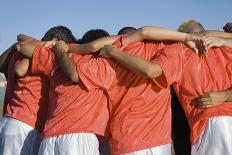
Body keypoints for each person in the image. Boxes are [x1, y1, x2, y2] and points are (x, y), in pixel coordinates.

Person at [66, 26, 203, 155]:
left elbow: (92, 48)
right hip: (156, 141)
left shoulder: (110, 55)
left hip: (123, 141)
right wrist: (186, 37)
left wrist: (65, 49)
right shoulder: (163, 48)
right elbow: (145, 33)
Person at [99, 33, 232, 155]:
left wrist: (113, 51)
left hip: (210, 125)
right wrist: (225, 95)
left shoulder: (179, 50)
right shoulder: (225, 47)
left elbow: (151, 70)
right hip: (163, 139)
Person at [16, 29, 113, 155]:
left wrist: (52, 45)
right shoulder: (102, 64)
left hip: (49, 139)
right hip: (79, 137)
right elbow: (74, 75)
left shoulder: (60, 56)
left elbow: (22, 47)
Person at [0, 25, 76, 155]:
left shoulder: (20, 51)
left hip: (12, 121)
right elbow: (19, 70)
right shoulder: (44, 53)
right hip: (26, 123)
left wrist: (16, 45)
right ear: (56, 42)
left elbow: (20, 37)